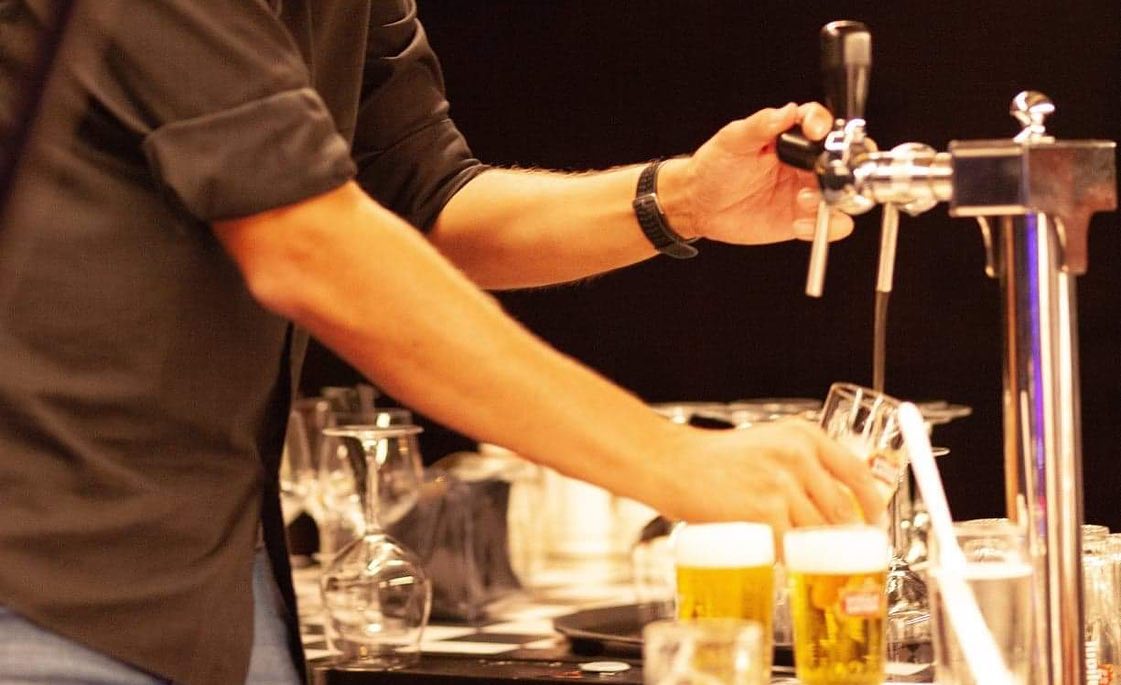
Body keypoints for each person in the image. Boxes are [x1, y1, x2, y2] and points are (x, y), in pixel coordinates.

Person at [0, 2, 878, 684]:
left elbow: (422, 199)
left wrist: (683, 199)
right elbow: (307, 243)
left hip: (218, 576)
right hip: (48, 578)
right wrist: (676, 459)